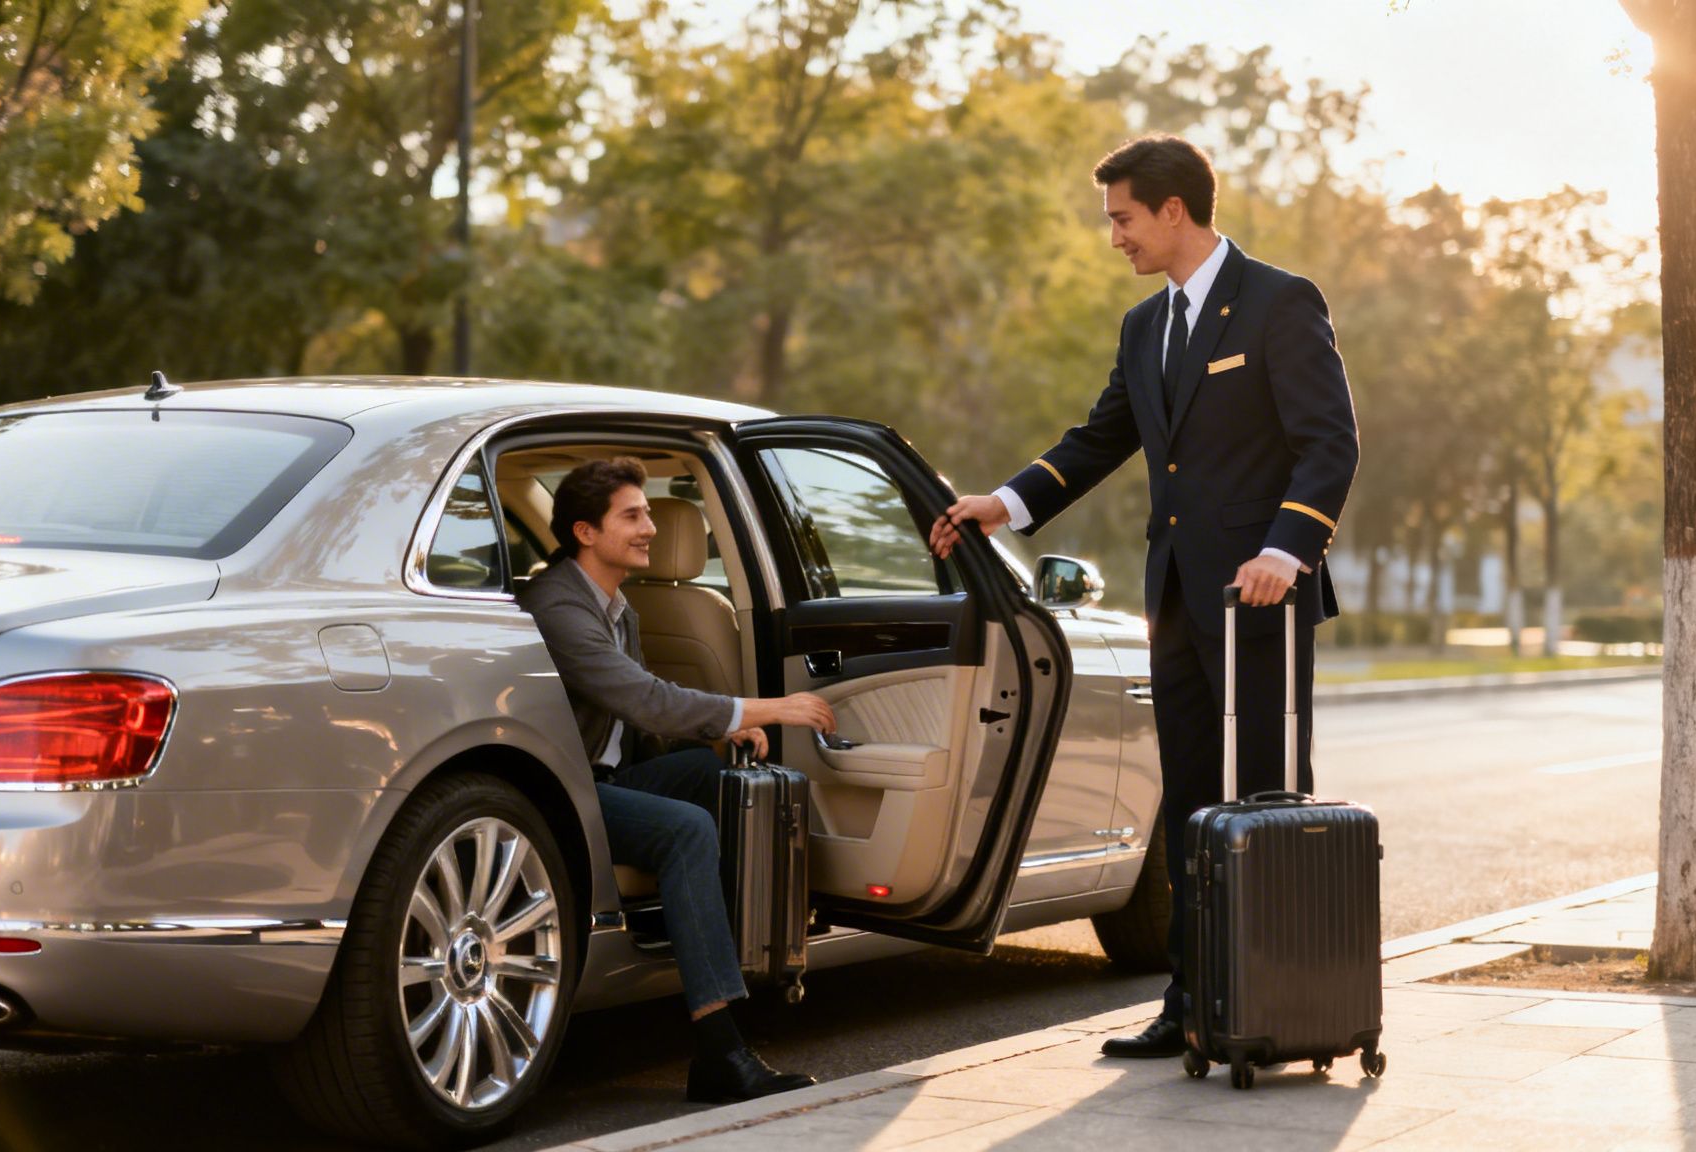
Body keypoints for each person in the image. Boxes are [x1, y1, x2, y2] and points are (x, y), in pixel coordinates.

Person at [929, 134, 1358, 1059]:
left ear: (1173, 210)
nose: (1113, 236)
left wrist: (1289, 546)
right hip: (1175, 597)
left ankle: (1281, 1003)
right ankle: (1193, 1002)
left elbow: (1331, 442)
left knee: (1266, 802)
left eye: (1122, 218)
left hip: (1260, 605)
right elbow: (1098, 439)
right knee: (1193, 807)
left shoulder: (1282, 302)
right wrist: (1000, 505)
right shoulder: (1143, 325)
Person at [521, 457, 837, 1101]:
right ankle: (720, 1052)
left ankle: (748, 963)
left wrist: (718, 734)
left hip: (611, 777)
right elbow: (641, 699)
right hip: (566, 795)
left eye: (646, 514)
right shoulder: (556, 606)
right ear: (586, 532)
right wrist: (760, 709)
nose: (650, 528)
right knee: (688, 828)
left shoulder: (616, 605)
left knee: (725, 777)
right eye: (632, 516)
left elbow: (643, 725)